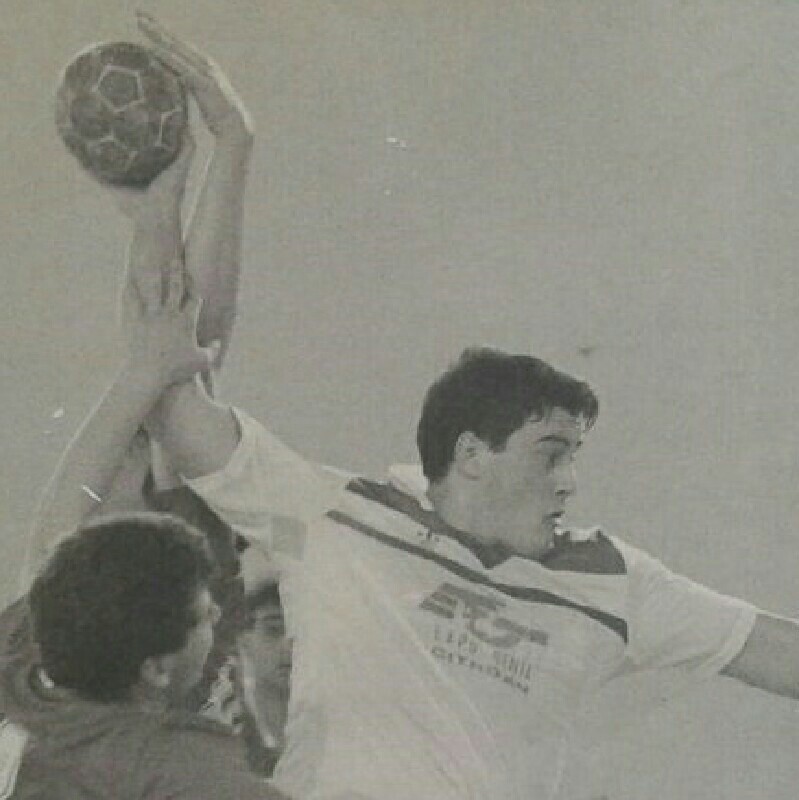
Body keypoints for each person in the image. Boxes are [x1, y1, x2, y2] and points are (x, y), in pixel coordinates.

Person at [0, 511, 289, 799]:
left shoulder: (21, 692)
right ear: (156, 669)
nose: (217, 613)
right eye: (203, 616)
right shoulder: (175, 764)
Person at [237, 580, 293, 777]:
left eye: (300, 633)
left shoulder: (335, 729)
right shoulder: (227, 732)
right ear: (245, 642)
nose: (288, 646)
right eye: (273, 630)